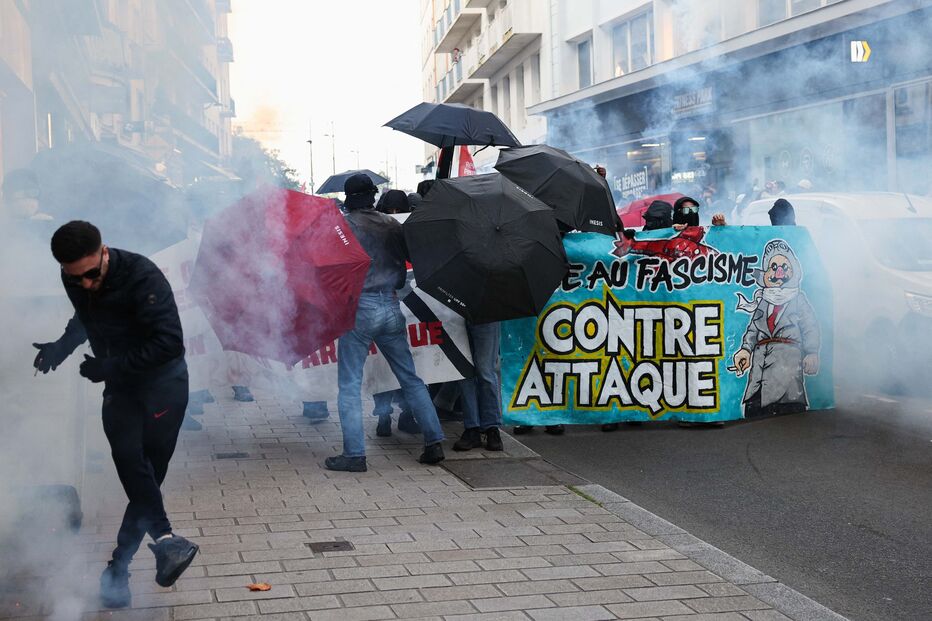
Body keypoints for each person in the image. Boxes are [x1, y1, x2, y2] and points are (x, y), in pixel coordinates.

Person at [33, 221, 198, 608]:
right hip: (121, 387)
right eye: (76, 278)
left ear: (104, 251)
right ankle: (167, 541)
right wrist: (61, 348)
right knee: (128, 462)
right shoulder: (72, 277)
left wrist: (111, 367)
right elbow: (85, 318)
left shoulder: (142, 275)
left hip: (164, 387)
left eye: (92, 274)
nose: (86, 284)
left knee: (147, 481)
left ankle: (117, 569)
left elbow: (170, 343)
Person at [326, 174, 445, 472]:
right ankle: (433, 441)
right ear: (372, 196)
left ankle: (354, 455)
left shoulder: (344, 226)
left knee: (350, 384)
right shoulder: (392, 224)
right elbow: (410, 256)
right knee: (411, 378)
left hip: (360, 307)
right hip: (391, 304)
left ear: (349, 197)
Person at [452, 322, 504, 452]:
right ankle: (474, 428)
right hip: (458, 315)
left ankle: (490, 427)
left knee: (485, 372)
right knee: (465, 374)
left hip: (485, 316)